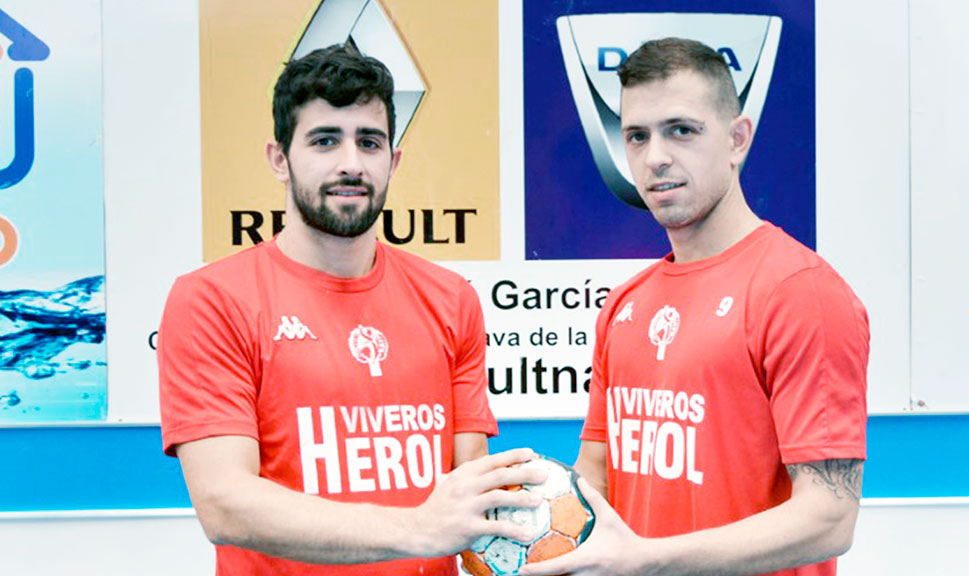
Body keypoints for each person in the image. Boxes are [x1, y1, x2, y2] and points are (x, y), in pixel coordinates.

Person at [157, 45, 545, 575]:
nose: (351, 163)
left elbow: (466, 486)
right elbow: (225, 504)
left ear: (394, 159)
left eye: (369, 141)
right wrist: (416, 530)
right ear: (278, 159)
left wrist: (538, 526)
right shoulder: (212, 299)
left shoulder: (451, 297)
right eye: (324, 140)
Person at [520, 38, 869, 576]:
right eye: (636, 136)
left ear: (737, 139)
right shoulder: (625, 305)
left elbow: (829, 518)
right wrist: (524, 522)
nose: (655, 156)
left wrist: (649, 561)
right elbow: (596, 480)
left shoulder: (801, 292)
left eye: (681, 130)